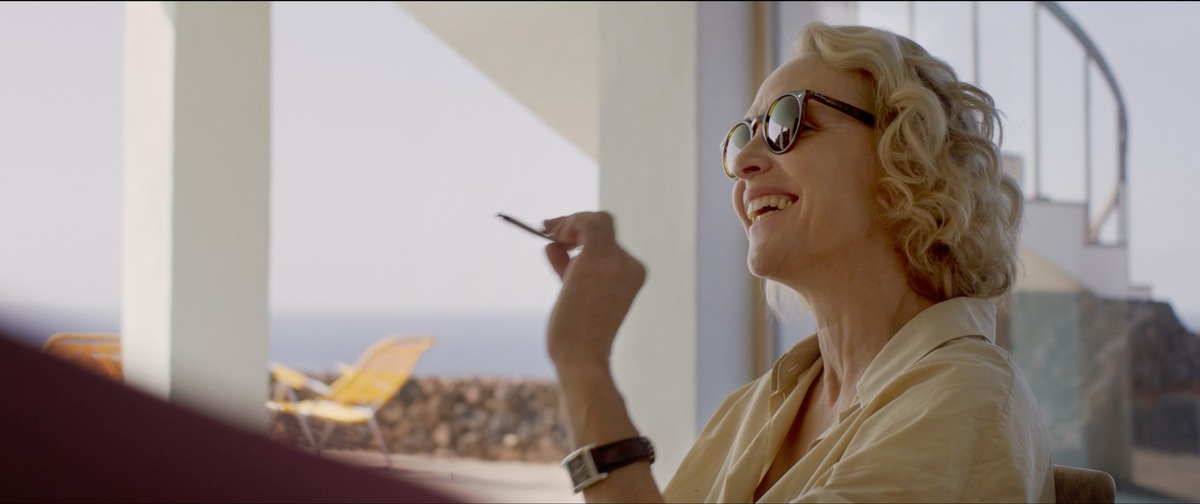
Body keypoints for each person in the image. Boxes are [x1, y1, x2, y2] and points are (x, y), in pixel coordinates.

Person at [539, 22, 1054, 502]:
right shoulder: (752, 407)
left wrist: (583, 363)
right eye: (741, 138)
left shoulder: (965, 400)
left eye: (786, 121)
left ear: (909, 155)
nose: (744, 162)